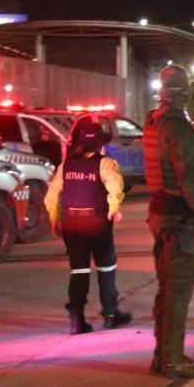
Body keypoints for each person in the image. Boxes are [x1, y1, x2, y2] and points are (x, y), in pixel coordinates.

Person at [143, 65, 194, 379]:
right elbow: (187, 176)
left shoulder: (154, 120)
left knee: (166, 288)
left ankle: (163, 355)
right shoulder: (178, 126)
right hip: (178, 217)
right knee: (178, 291)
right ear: (183, 92)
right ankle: (173, 358)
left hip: (159, 212)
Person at [45, 114, 132, 334]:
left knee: (79, 270)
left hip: (71, 223)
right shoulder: (105, 164)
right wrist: (114, 209)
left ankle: (77, 319)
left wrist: (54, 217)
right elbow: (115, 188)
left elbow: (53, 194)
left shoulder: (67, 165)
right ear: (100, 144)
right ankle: (110, 315)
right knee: (106, 267)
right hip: (96, 222)